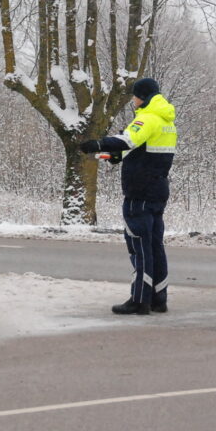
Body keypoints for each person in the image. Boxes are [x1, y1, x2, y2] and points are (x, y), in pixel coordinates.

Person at [79, 78, 178, 315]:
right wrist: (116, 157)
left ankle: (139, 300)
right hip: (158, 190)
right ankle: (158, 298)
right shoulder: (167, 122)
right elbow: (142, 150)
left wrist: (97, 144)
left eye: (134, 96)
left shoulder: (147, 117)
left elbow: (128, 140)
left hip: (139, 192)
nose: (133, 101)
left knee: (139, 245)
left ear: (142, 97)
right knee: (155, 245)